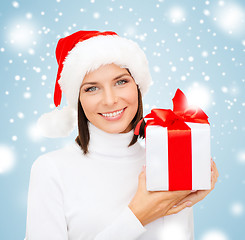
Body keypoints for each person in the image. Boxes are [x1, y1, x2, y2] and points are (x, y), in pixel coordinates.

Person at [25, 30, 219, 240]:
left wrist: (186, 196)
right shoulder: (51, 169)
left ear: (137, 86)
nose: (110, 100)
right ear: (78, 99)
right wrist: (137, 216)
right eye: (91, 88)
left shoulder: (165, 160)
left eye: (121, 82)